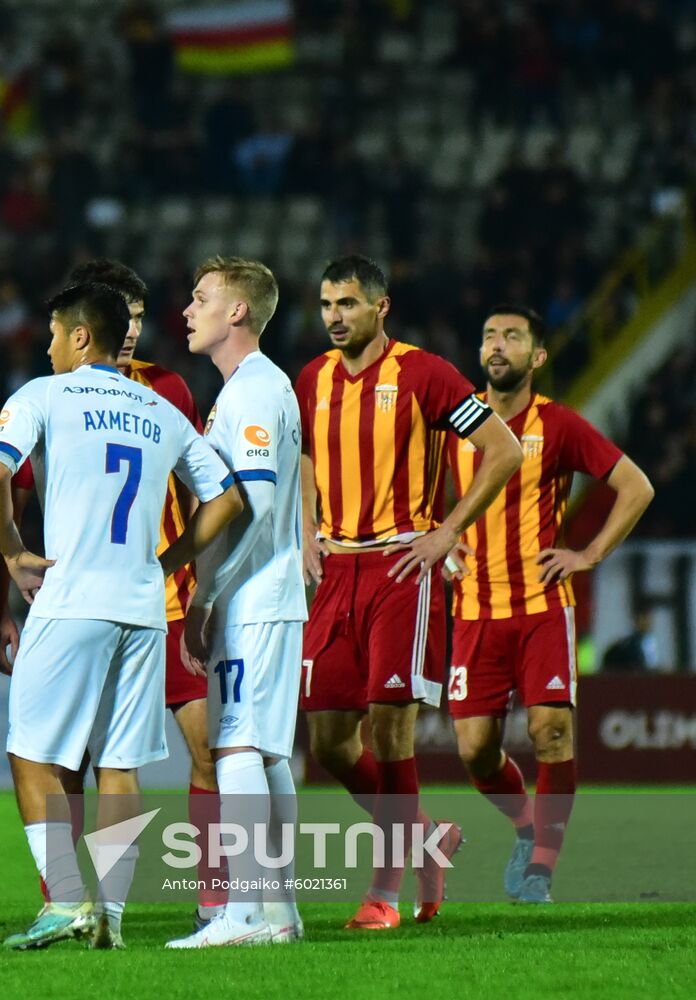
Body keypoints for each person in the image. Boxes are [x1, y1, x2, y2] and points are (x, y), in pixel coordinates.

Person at [0, 282, 243, 951]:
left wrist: (13, 552)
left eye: (51, 333)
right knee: (120, 766)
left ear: (77, 335)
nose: (45, 347)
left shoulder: (43, 394)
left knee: (30, 754)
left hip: (71, 600)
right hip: (142, 606)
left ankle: (67, 901)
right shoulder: (159, 408)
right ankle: (114, 918)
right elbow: (228, 499)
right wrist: (169, 557)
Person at [295, 255, 522, 930]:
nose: (335, 316)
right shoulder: (313, 378)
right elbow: (307, 452)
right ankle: (429, 840)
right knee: (331, 742)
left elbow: (504, 448)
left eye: (348, 304)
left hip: (402, 567)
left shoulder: (424, 373)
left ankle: (383, 894)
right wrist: (308, 528)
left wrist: (448, 531)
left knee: (392, 731)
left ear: (380, 307)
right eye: (328, 304)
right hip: (336, 569)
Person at [445, 305, 653, 904]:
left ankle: (540, 868)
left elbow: (636, 486)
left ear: (536, 356)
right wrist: (446, 534)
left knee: (551, 731)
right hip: (476, 610)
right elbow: (425, 496)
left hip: (540, 606)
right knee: (475, 751)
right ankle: (526, 826)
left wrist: (588, 554)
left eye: (512, 337)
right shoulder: (455, 424)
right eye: (489, 336)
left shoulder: (557, 425)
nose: (497, 346)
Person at [164, 257, 306, 948]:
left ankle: (243, 913)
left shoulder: (253, 390)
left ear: (238, 313)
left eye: (201, 299)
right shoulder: (248, 389)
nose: (187, 311)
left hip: (253, 596)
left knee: (238, 747)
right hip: (265, 594)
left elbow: (258, 500)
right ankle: (279, 913)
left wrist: (208, 593)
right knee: (266, 753)